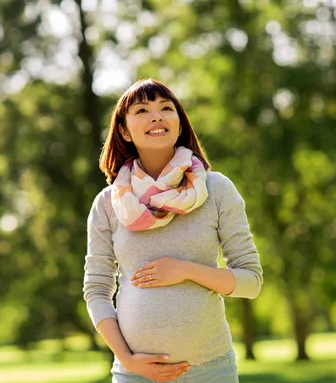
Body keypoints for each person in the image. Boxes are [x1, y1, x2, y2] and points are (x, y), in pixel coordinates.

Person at [83, 79, 263, 383]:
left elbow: (251, 281)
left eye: (166, 108)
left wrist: (185, 270)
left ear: (179, 124)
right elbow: (96, 291)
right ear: (124, 130)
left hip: (210, 371)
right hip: (134, 375)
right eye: (142, 110)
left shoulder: (215, 189)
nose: (157, 116)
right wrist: (128, 360)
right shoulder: (108, 204)